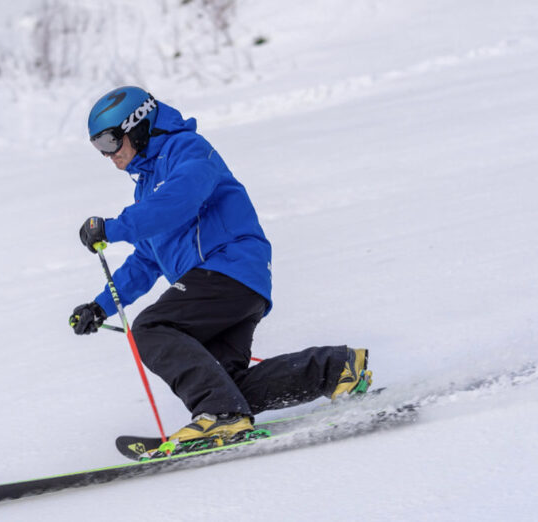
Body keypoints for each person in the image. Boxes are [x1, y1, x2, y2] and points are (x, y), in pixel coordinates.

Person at [71, 86, 371, 447]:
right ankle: (336, 368)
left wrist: (115, 227)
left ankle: (221, 417)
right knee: (230, 386)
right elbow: (147, 259)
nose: (108, 155)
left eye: (109, 141)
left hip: (228, 270)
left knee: (151, 328)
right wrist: (100, 306)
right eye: (98, 147)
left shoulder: (188, 151)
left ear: (138, 125)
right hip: (230, 286)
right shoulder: (147, 187)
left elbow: (178, 201)